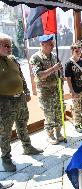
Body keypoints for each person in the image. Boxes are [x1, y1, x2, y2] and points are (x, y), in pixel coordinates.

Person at [0, 33, 43, 172]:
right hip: (4, 102)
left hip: (20, 99)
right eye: (6, 45)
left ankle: (27, 146)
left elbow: (21, 76)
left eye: (10, 45)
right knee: (5, 132)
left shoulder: (12, 59)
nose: (10, 48)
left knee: (22, 123)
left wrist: (27, 91)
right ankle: (6, 159)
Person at [29, 34, 64, 145]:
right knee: (49, 113)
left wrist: (60, 75)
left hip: (56, 90)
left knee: (58, 111)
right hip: (45, 91)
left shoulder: (54, 56)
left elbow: (60, 71)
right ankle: (50, 135)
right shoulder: (36, 58)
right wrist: (54, 68)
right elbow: (39, 75)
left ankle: (58, 132)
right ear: (42, 44)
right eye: (50, 44)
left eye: (52, 43)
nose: (52, 46)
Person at [65, 42, 82, 133]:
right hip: (76, 90)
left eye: (80, 51)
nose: (79, 53)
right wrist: (72, 91)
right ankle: (77, 124)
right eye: (76, 51)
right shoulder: (69, 64)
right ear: (72, 51)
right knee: (77, 109)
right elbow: (68, 79)